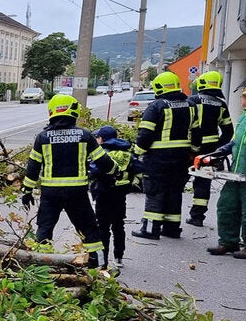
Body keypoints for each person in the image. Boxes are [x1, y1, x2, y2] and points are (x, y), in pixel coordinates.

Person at [21, 94, 113, 268]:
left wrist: (27, 191)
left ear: (52, 111)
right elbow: (104, 163)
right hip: (76, 193)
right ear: (74, 111)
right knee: (89, 230)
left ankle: (42, 268)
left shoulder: (43, 137)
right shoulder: (85, 135)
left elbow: (33, 168)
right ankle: (99, 266)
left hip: (50, 194)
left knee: (44, 229)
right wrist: (116, 172)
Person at [202, 75, 246, 258]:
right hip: (237, 173)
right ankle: (227, 242)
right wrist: (217, 152)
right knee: (226, 206)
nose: (243, 100)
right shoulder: (244, 117)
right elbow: (235, 142)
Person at [131, 71, 201, 240]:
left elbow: (145, 135)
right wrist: (194, 151)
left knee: (155, 191)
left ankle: (150, 229)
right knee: (175, 191)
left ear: (159, 88)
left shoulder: (156, 106)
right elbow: (197, 133)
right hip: (181, 158)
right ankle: (172, 228)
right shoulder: (191, 105)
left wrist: (136, 153)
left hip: (158, 158)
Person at [186, 70, 233, 226]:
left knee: (178, 179)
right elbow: (228, 131)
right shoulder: (220, 104)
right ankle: (197, 217)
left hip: (190, 148)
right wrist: (219, 149)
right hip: (210, 150)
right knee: (203, 182)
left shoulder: (192, 100)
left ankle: (167, 215)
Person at [89, 125, 134, 268]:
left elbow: (94, 170)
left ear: (102, 138)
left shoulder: (103, 153)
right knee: (118, 225)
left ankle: (103, 261)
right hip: (120, 194)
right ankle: (119, 257)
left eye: (98, 137)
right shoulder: (126, 152)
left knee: (103, 228)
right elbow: (137, 168)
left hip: (104, 193)